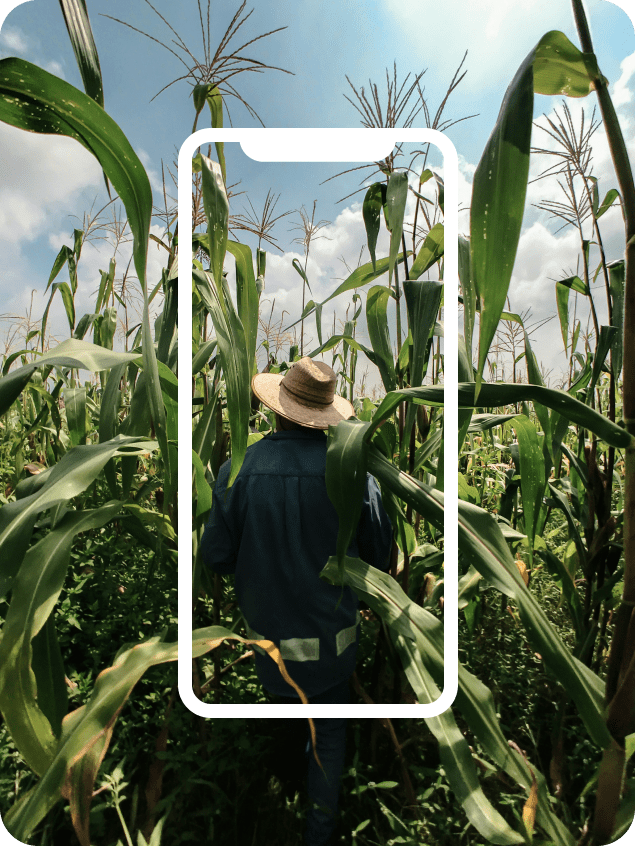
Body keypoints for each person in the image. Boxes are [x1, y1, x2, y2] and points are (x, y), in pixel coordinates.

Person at [201, 356, 392, 846]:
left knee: (284, 725)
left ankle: (273, 807)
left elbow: (217, 557)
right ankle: (317, 834)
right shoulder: (353, 475)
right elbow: (381, 561)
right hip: (333, 651)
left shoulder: (236, 470)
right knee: (327, 739)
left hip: (271, 654)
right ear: (327, 414)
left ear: (277, 408)